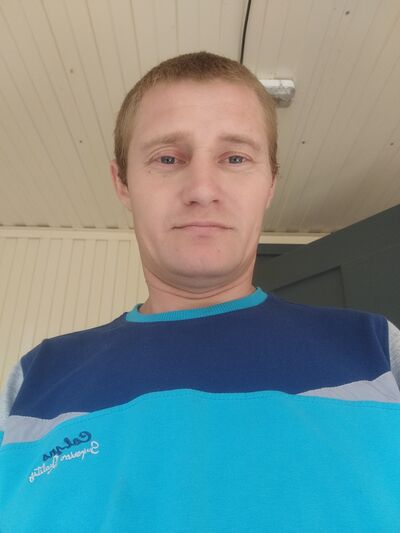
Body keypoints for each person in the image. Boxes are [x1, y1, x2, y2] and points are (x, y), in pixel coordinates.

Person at [1, 51, 400, 532]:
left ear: (270, 183)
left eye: (235, 158)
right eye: (168, 158)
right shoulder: (34, 380)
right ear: (122, 183)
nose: (203, 189)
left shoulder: (379, 352)